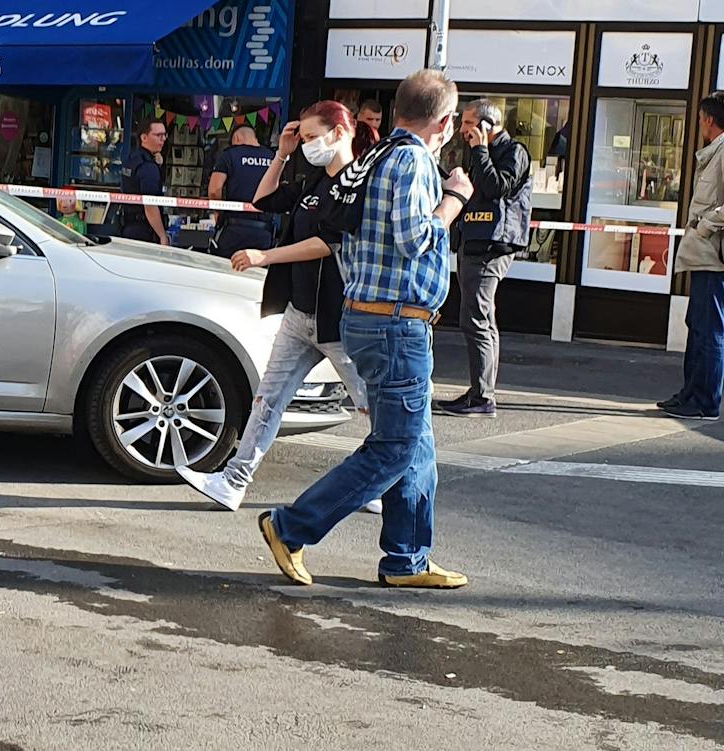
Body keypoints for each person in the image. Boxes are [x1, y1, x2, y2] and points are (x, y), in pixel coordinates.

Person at [259, 69, 475, 590]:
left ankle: (407, 559)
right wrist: (454, 200)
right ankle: (291, 527)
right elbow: (412, 236)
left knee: (416, 442)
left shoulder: (372, 158)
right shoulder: (414, 161)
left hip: (370, 316)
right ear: (443, 122)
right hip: (394, 322)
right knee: (395, 447)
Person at [177, 102, 379, 513]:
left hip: (337, 317)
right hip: (300, 312)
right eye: (301, 137)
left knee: (371, 402)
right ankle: (233, 481)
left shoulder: (359, 184)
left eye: (309, 137)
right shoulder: (311, 179)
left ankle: (384, 484)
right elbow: (262, 199)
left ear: (340, 133)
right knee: (267, 398)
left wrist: (265, 256)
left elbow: (329, 242)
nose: (305, 145)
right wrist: (283, 153)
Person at [437, 100, 533, 418]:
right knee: (480, 319)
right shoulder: (481, 153)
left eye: (467, 124)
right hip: (474, 242)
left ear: (486, 125)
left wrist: (480, 152)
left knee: (475, 319)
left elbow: (496, 188)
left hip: (493, 246)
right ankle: (480, 392)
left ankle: (482, 397)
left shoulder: (514, 152)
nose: (463, 130)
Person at [663, 93, 724, 421]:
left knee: (711, 329)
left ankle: (706, 401)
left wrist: (703, 226)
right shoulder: (714, 153)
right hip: (704, 256)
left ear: (709, 120)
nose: (698, 123)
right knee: (698, 326)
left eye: (700, 118)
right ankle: (690, 394)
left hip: (714, 256)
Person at [209, 125, 275, 257]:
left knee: (226, 272)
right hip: (264, 231)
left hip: (234, 229)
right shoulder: (272, 157)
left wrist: (217, 213)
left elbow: (214, 190)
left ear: (237, 138)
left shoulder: (229, 155)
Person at [116, 119, 170, 245]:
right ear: (144, 137)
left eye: (164, 135)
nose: (163, 139)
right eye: (158, 135)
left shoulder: (132, 159)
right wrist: (162, 236)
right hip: (144, 230)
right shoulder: (147, 167)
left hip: (127, 225)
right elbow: (150, 205)